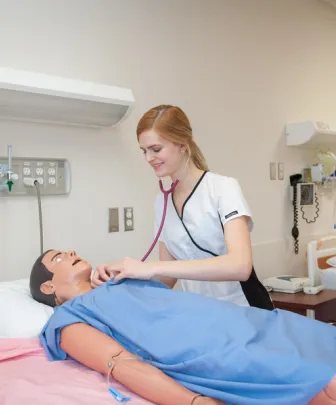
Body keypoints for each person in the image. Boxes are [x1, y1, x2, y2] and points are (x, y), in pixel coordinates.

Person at [30, 249, 336, 405]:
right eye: (59, 257)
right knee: (321, 378)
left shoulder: (121, 282)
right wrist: (193, 402)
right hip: (214, 349)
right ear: (47, 286)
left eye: (70, 250)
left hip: (247, 322)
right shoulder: (66, 319)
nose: (71, 253)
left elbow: (170, 296)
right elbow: (121, 365)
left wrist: (132, 272)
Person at [91, 105, 273, 310]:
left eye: (156, 149)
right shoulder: (162, 201)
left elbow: (240, 266)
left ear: (183, 144)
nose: (148, 158)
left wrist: (148, 267)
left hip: (244, 311)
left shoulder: (223, 188)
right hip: (200, 314)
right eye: (144, 151)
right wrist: (122, 278)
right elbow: (167, 279)